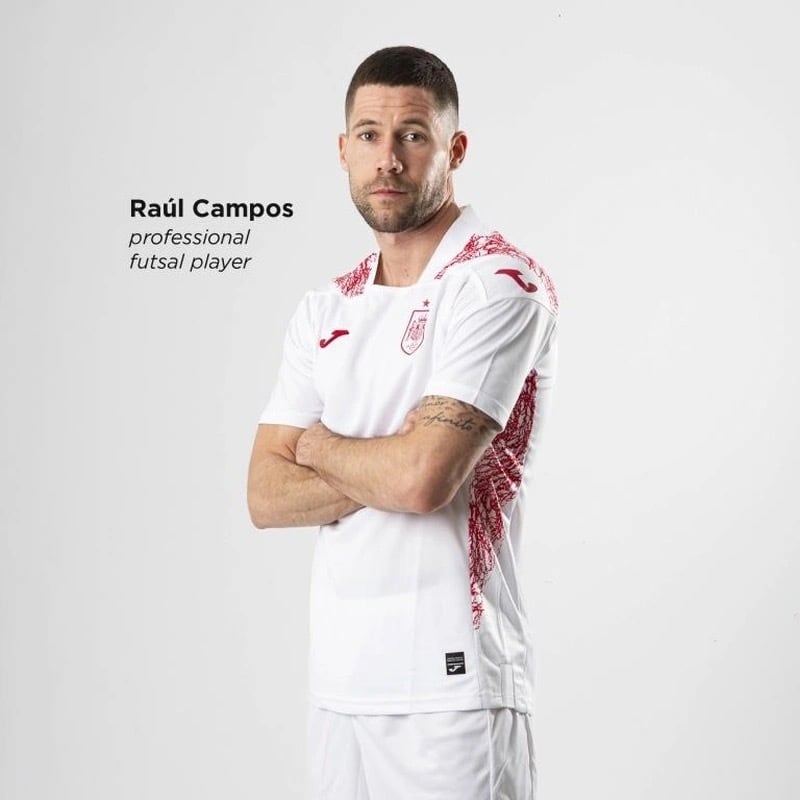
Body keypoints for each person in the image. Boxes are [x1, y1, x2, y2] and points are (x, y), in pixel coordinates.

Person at [247, 45, 558, 800]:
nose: (387, 158)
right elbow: (264, 495)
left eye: (413, 135)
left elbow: (423, 481)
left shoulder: (497, 283)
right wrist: (392, 456)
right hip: (340, 684)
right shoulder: (326, 306)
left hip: (453, 687)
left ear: (455, 149)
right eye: (369, 135)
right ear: (343, 150)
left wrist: (316, 446)